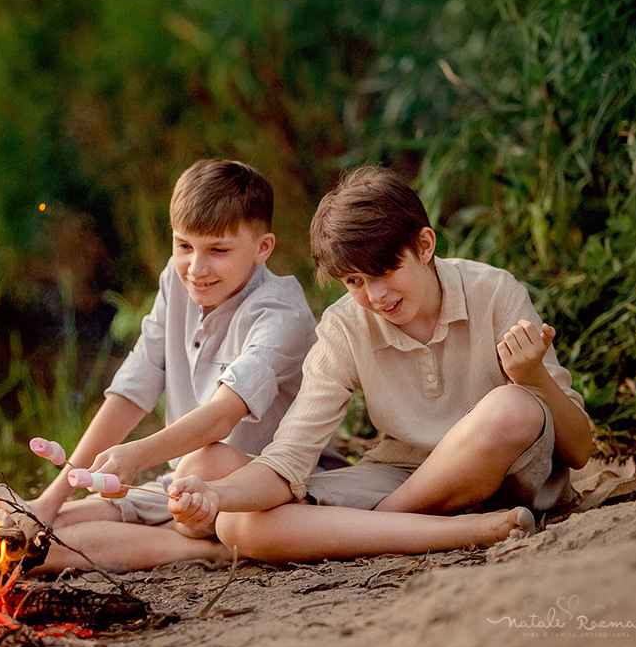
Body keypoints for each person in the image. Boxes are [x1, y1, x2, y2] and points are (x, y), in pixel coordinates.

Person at [168, 165, 593, 563]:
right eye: (354, 281)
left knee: (512, 407)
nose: (374, 296)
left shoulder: (493, 291)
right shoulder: (344, 328)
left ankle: (389, 523)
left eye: (384, 271)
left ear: (423, 246)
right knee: (242, 524)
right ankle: (468, 530)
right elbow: (290, 456)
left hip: (505, 478)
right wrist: (215, 497)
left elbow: (579, 451)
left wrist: (532, 375)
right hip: (401, 472)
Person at [8, 158, 319, 572]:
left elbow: (222, 417)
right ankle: (201, 546)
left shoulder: (279, 312)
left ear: (263, 247)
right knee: (37, 544)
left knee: (203, 461)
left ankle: (209, 547)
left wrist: (135, 457)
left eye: (218, 251)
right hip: (184, 491)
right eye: (184, 246)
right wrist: (52, 497)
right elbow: (132, 390)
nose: (197, 268)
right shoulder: (176, 282)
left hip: (261, 487)